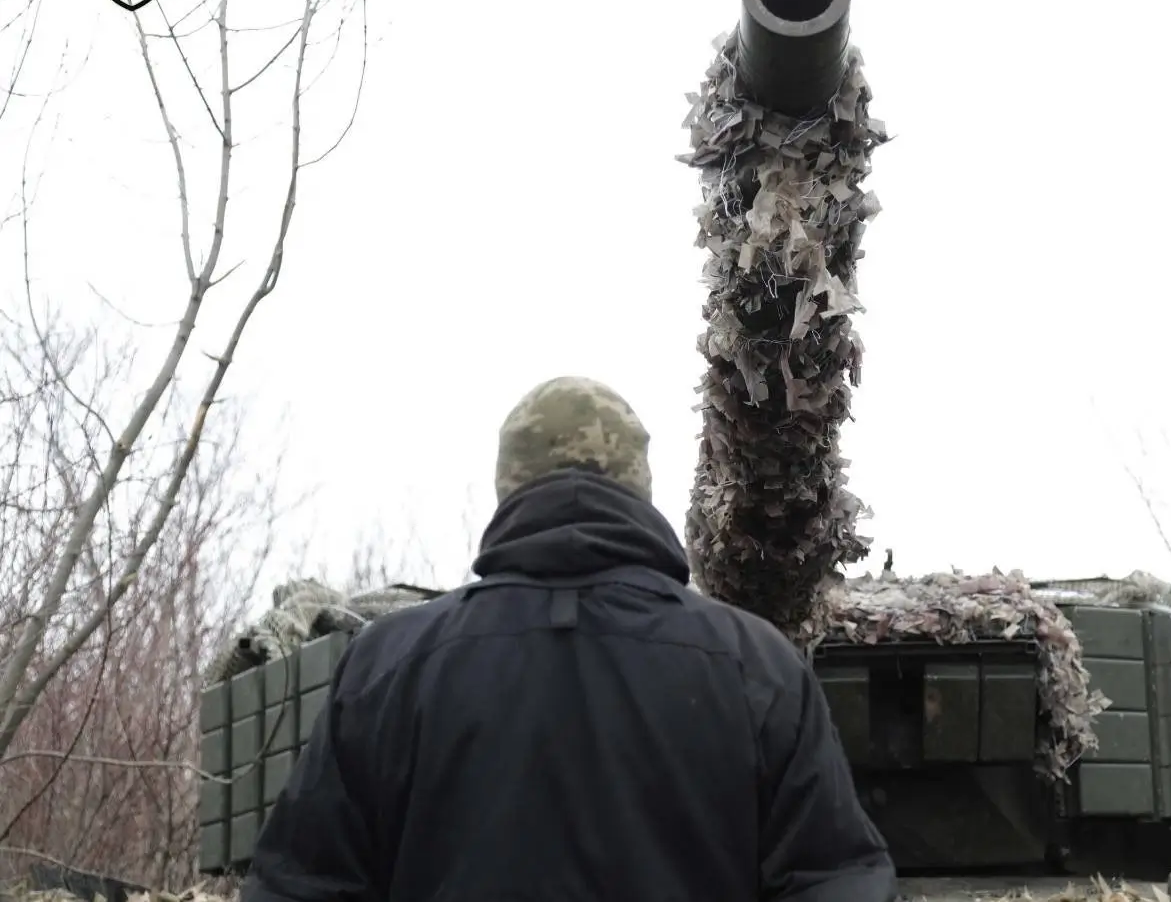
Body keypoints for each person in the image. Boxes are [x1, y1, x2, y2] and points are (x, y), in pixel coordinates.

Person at [242, 376, 897, 902]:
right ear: (640, 486)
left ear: (509, 486)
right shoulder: (755, 665)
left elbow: (299, 884)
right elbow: (836, 879)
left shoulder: (386, 666)